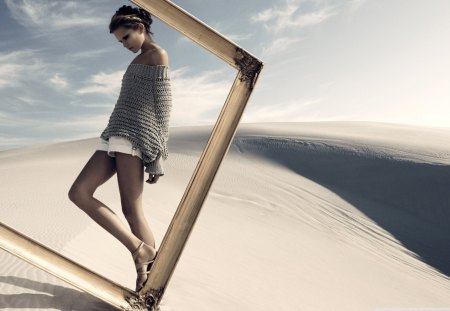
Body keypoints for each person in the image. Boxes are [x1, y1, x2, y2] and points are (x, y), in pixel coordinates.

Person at [68, 5, 172, 292]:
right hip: (113, 134)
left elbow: (163, 108)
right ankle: (140, 250)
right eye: (119, 41)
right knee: (78, 193)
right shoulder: (141, 58)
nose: (124, 45)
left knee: (132, 209)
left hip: (134, 137)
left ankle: (149, 285)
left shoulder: (157, 55)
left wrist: (158, 157)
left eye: (125, 38)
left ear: (140, 27)